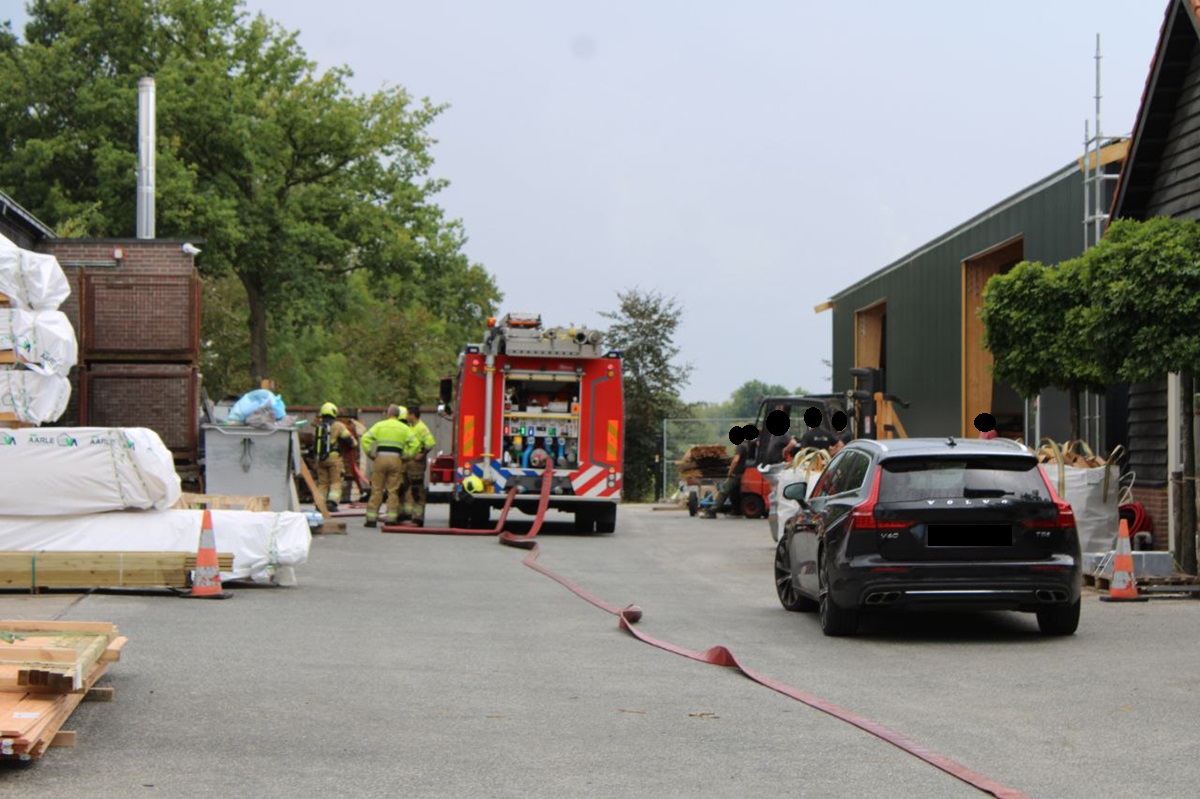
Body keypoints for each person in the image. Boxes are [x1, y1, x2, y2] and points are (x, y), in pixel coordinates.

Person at [359, 404, 414, 527]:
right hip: (396, 460)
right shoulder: (404, 428)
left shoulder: (380, 425)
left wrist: (370, 454)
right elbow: (415, 443)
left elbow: (365, 439)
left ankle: (371, 519)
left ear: (388, 414)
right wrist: (407, 456)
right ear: (398, 415)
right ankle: (391, 518)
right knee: (393, 490)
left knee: (376, 489)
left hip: (380, 459)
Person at [313, 402, 357, 513]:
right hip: (334, 459)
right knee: (335, 482)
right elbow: (351, 442)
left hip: (320, 459)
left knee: (322, 483)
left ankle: (319, 504)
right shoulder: (338, 426)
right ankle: (332, 503)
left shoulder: (319, 426)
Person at [703, 437, 757, 519]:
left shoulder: (740, 446)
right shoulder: (748, 446)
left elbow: (736, 460)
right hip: (743, 473)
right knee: (734, 492)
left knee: (724, 491)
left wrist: (730, 471)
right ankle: (737, 510)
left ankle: (713, 511)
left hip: (736, 473)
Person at [400, 406, 436, 526]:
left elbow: (430, 443)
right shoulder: (409, 427)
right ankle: (404, 514)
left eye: (407, 414)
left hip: (416, 464)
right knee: (402, 488)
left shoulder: (421, 428)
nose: (405, 417)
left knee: (417, 491)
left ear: (412, 415)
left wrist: (422, 454)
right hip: (405, 463)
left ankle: (418, 518)